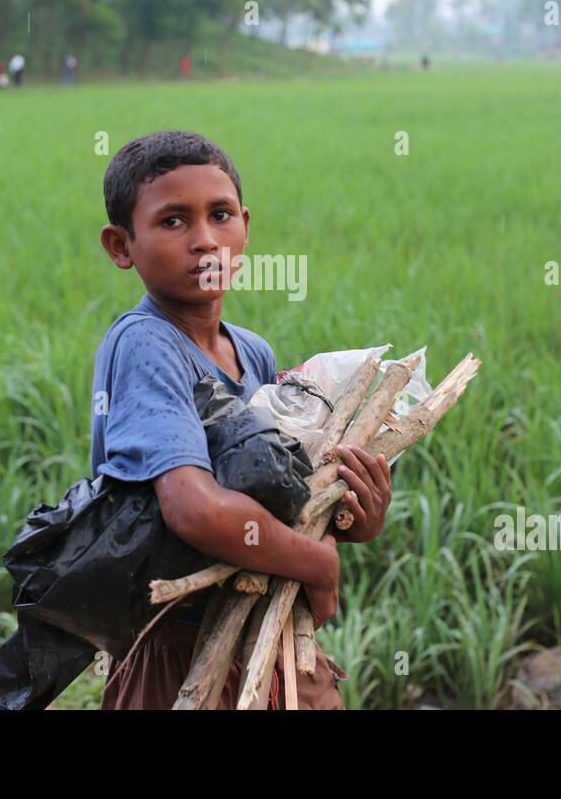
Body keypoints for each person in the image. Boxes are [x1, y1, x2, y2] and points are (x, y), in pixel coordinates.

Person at [90, 130, 393, 709]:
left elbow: (282, 506)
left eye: (220, 215)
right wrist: (318, 565)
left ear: (245, 227)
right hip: (180, 652)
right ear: (120, 245)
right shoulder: (146, 345)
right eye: (173, 221)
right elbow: (194, 509)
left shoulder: (253, 353)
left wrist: (358, 518)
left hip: (268, 641)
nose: (205, 240)